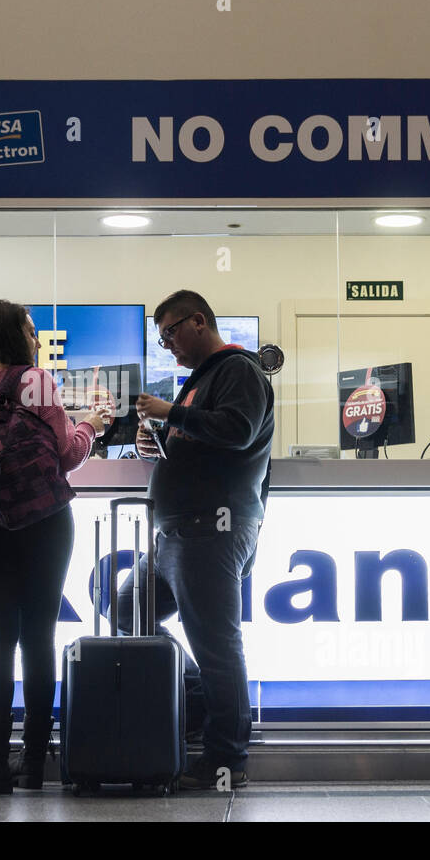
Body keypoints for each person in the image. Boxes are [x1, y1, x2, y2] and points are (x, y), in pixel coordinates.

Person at [0, 301, 111, 793]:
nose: (36, 339)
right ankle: (33, 764)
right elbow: (66, 454)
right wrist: (90, 425)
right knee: (37, 640)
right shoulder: (35, 381)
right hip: (44, 526)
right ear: (16, 336)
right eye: (31, 330)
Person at [130, 290, 274, 790]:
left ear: (198, 320)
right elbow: (198, 445)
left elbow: (236, 430)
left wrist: (172, 414)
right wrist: (156, 445)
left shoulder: (239, 370)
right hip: (177, 530)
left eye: (171, 331)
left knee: (216, 644)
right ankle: (194, 701)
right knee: (126, 604)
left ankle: (226, 759)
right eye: (161, 336)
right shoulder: (199, 382)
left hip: (211, 528)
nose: (167, 343)